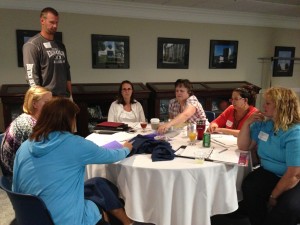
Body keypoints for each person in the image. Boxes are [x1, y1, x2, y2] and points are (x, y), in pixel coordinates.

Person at [12, 98, 135, 225]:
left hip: (29, 217)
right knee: (97, 203)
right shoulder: (75, 144)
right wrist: (126, 149)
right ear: (69, 120)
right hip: (65, 219)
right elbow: (111, 156)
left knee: (97, 183)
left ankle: (127, 222)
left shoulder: (25, 146)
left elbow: (15, 187)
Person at [237, 87, 300, 225]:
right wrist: (247, 123)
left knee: (289, 208)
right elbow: (244, 147)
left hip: (293, 179)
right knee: (249, 185)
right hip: (269, 172)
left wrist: (273, 195)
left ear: (281, 106)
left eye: (268, 103)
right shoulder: (265, 125)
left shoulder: (295, 133)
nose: (263, 106)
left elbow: (294, 174)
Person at [0, 86, 52, 177]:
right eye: (47, 102)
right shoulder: (28, 125)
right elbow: (42, 156)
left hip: (25, 168)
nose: (52, 106)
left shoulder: (34, 120)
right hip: (17, 176)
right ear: (35, 104)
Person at [23, 7, 72, 98]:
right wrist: (41, 99)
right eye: (52, 22)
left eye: (56, 22)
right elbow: (32, 77)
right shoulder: (32, 45)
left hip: (64, 97)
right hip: (47, 98)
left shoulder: (60, 46)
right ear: (42, 21)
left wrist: (70, 97)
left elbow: (67, 71)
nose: (55, 26)